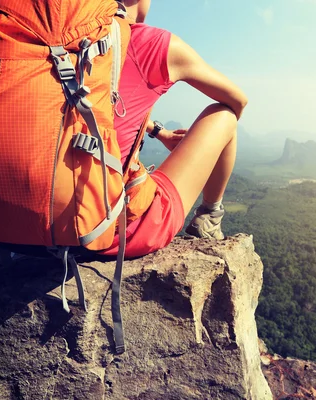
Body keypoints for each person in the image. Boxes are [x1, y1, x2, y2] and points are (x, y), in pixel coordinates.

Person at [101, 0, 248, 258]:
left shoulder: (66, 42)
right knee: (225, 114)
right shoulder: (153, 43)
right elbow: (238, 100)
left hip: (21, 232)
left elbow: (96, 105)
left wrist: (159, 132)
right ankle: (210, 216)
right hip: (107, 227)